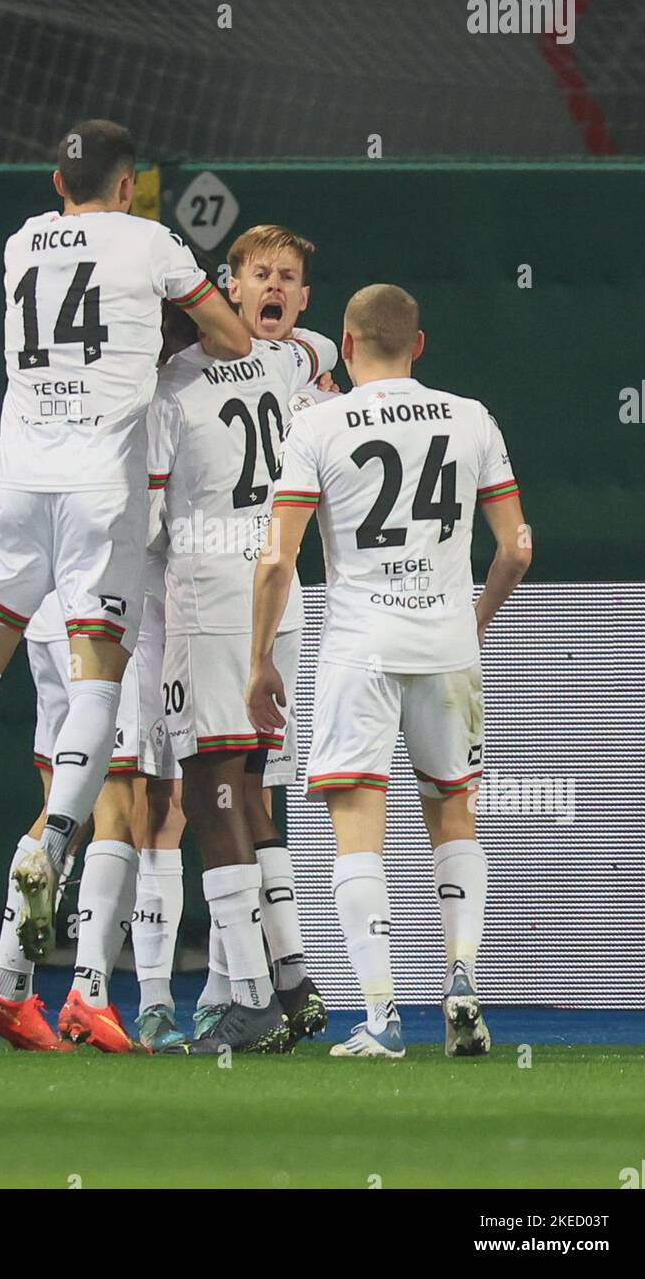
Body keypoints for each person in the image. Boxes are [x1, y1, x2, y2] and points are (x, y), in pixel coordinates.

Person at [0, 118, 250, 956]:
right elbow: (229, 336)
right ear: (128, 185)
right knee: (97, 684)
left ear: (58, 183)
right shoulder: (151, 241)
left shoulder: (21, 244)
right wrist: (164, 339)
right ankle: (51, 846)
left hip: (17, 479)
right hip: (101, 485)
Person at [247, 283, 531, 1058]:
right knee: (454, 816)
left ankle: (380, 1017)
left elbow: (278, 556)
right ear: (419, 345)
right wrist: (471, 624)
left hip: (359, 649)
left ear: (344, 343)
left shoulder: (317, 424)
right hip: (446, 647)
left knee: (355, 832)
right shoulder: (470, 417)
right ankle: (462, 976)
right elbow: (516, 548)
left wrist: (258, 659)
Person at [148, 225, 338, 1054]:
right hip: (279, 590)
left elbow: (150, 517)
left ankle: (252, 999)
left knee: (209, 788)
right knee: (254, 788)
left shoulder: (167, 389)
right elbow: (316, 342)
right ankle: (293, 979)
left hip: (212, 591)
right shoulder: (285, 360)